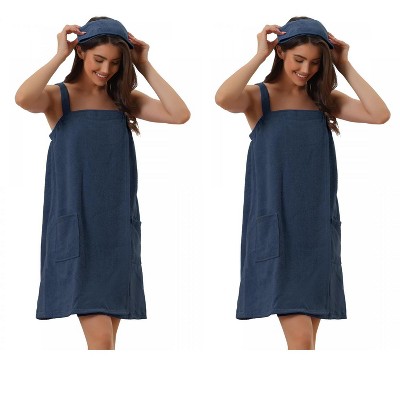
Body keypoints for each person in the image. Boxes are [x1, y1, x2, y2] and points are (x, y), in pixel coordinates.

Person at [15, 16, 190, 350]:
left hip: (116, 231)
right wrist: (59, 54)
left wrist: (145, 65)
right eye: (99, 59)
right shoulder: (59, 98)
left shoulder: (124, 99)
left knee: (106, 342)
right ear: (81, 52)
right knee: (101, 340)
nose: (106, 69)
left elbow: (179, 114)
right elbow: (23, 98)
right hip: (78, 229)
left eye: (115, 62)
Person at [215, 16, 390, 350]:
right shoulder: (259, 98)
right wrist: (259, 54)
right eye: (299, 59)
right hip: (278, 230)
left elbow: (379, 114)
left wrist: (345, 65)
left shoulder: (325, 100)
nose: (306, 69)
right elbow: (223, 98)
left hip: (316, 232)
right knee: (301, 341)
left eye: (315, 62)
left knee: (306, 343)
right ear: (281, 52)